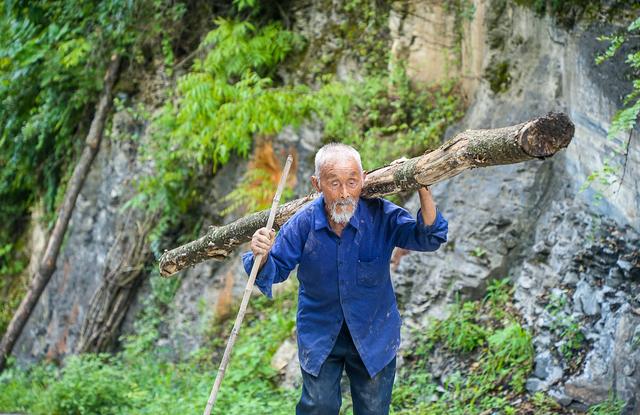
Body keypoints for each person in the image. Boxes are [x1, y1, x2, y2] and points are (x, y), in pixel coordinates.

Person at [242, 142, 448, 415]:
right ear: (317, 184)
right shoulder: (303, 224)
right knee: (319, 407)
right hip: (320, 333)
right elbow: (274, 269)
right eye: (334, 183)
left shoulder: (382, 216)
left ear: (363, 179)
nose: (344, 193)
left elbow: (429, 237)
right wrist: (262, 254)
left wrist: (421, 183)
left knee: (374, 410)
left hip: (374, 332)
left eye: (352, 182)